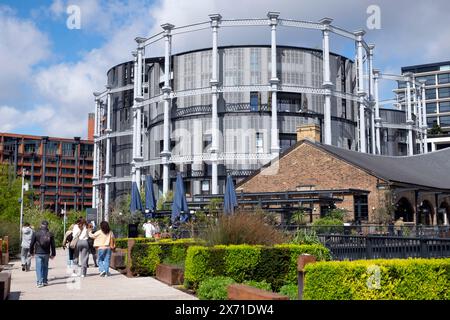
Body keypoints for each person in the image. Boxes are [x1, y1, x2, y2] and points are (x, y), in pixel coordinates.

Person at [29, 221, 56, 288]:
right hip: (46, 253)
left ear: (41, 225)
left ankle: (39, 282)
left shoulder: (36, 233)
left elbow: (31, 244)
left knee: (38, 268)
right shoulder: (50, 234)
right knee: (45, 267)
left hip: (38, 253)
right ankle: (45, 281)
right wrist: (53, 254)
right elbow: (53, 245)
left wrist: (31, 252)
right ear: (47, 226)